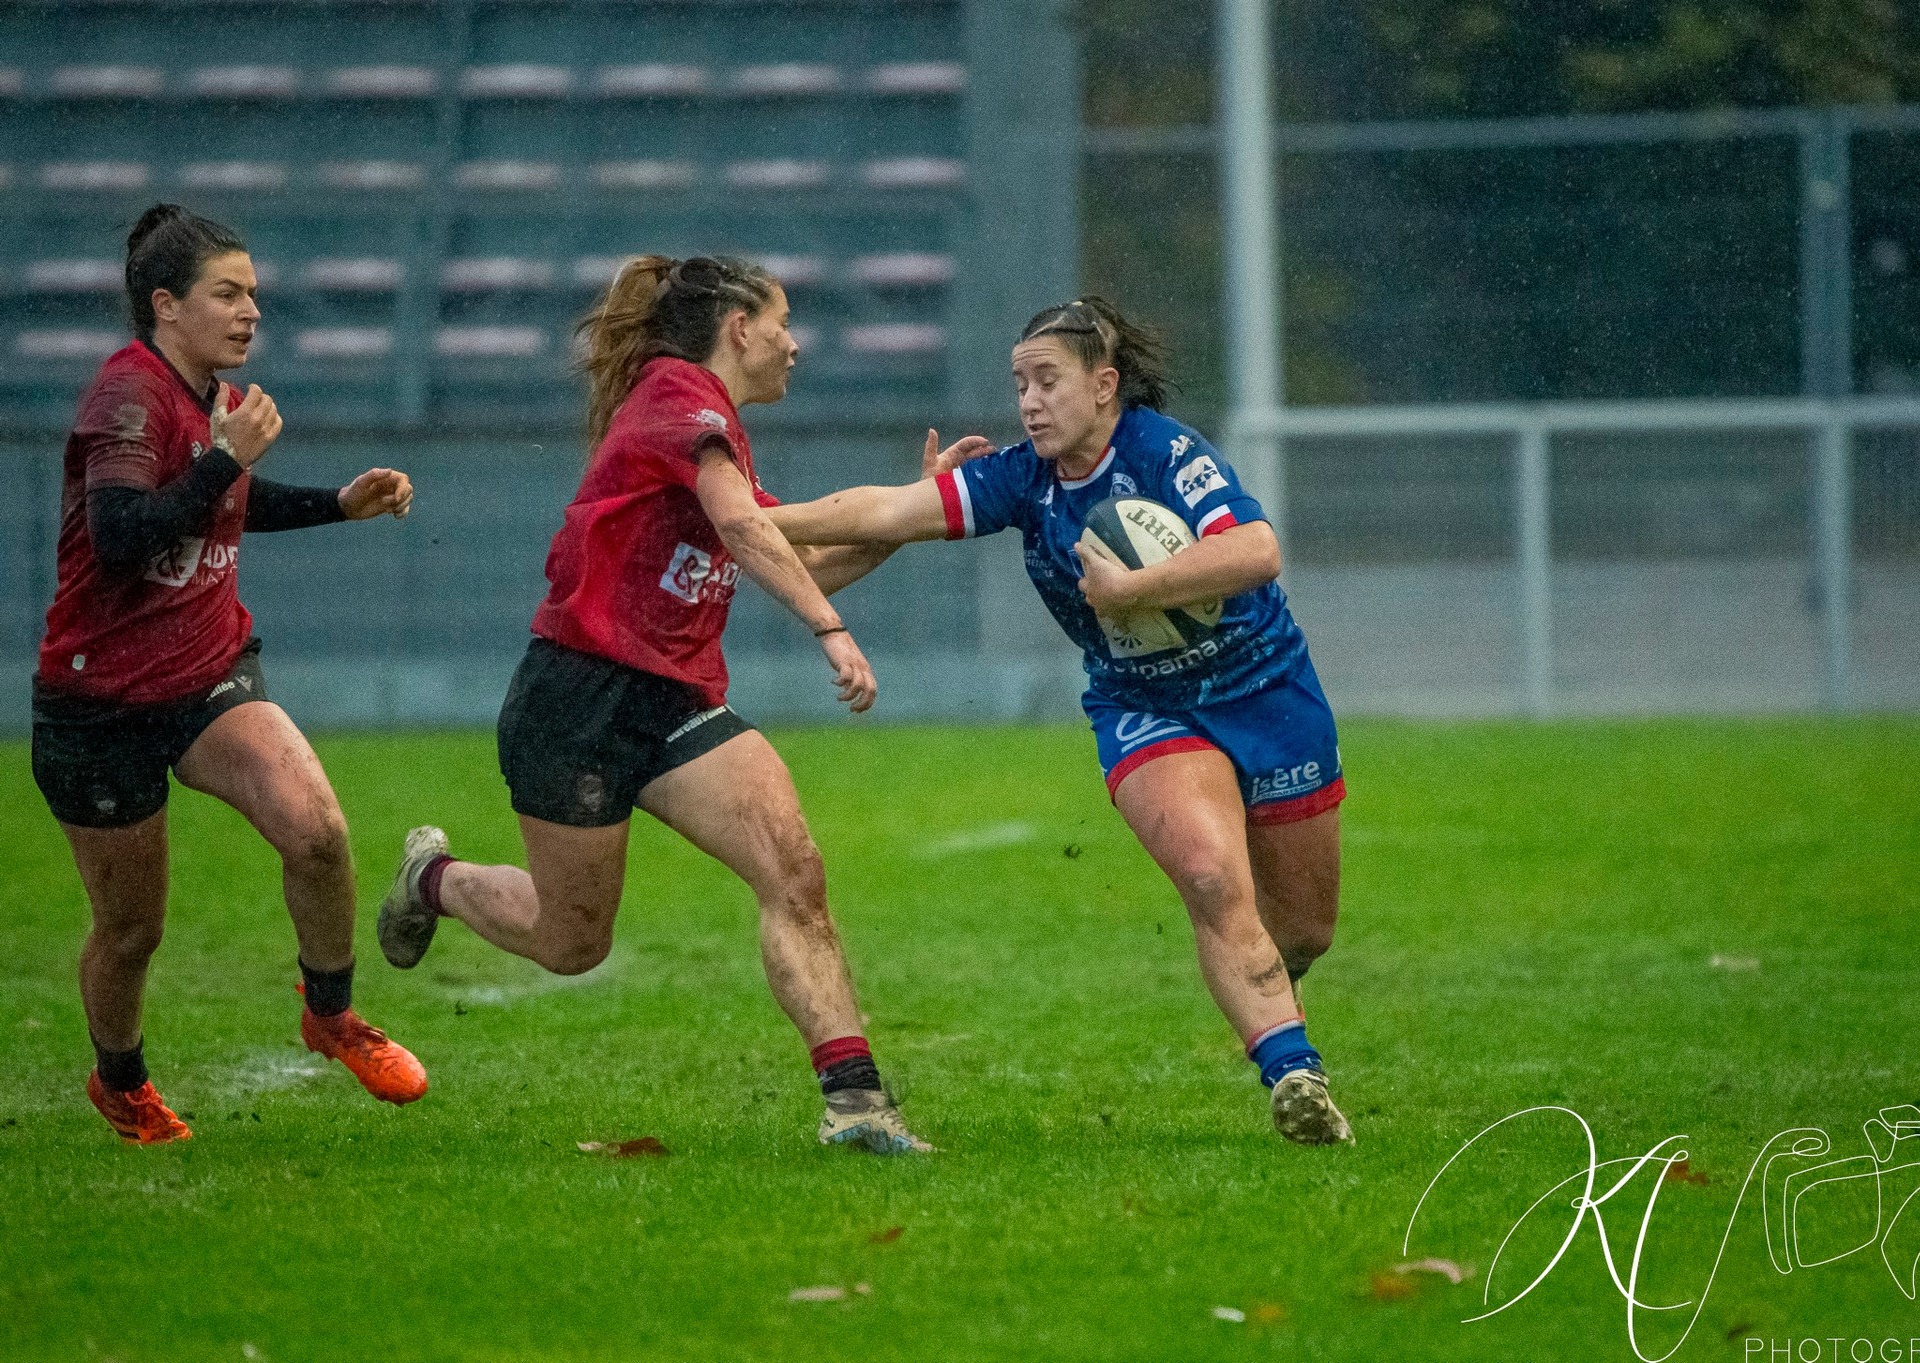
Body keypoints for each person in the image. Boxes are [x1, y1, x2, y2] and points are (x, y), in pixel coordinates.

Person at [378, 255, 967, 1155]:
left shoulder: (716, 431)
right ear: (738, 328)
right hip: (575, 697)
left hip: (677, 701)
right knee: (573, 941)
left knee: (794, 871)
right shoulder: (674, 400)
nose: (794, 343)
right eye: (781, 322)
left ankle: (854, 1104)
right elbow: (748, 531)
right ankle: (434, 878)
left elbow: (787, 548)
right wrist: (830, 631)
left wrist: (912, 518)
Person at [767, 296, 1353, 1145]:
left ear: (1105, 385)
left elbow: (1257, 550)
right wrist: (752, 520)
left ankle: (1265, 984)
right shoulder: (1022, 479)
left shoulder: (1164, 450)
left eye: (1048, 381)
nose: (1029, 402)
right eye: (1019, 385)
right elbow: (882, 512)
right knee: (1211, 877)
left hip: (1267, 691)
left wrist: (1134, 589)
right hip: (1144, 708)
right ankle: (1294, 1074)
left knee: (1302, 929)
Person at [33, 204, 427, 1145]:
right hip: (99, 703)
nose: (252, 310)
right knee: (133, 932)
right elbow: (125, 535)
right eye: (229, 293)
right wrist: (223, 458)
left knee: (320, 832)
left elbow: (217, 507)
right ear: (167, 305)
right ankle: (120, 1080)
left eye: (254, 292)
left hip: (206, 673)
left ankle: (330, 1016)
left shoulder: (216, 395)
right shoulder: (127, 397)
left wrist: (338, 503)